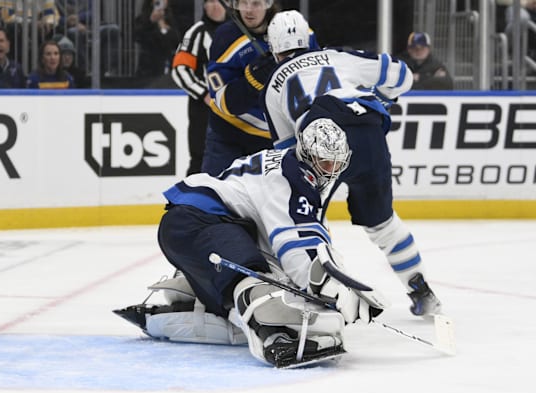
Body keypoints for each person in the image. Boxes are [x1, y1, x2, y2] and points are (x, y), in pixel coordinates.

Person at [115, 119, 386, 368]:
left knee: (270, 279)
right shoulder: (292, 177)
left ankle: (189, 299)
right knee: (256, 279)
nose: (331, 171)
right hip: (199, 221)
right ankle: (275, 339)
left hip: (196, 223)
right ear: (306, 153)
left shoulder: (287, 165)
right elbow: (295, 246)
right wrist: (332, 287)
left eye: (336, 164)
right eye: (324, 162)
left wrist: (335, 281)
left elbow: (301, 239)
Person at [261, 10, 442, 316]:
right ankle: (422, 291)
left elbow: (286, 150)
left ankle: (323, 295)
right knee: (382, 223)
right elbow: (402, 75)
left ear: (274, 48)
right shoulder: (338, 57)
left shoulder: (273, 86)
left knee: (306, 222)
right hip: (368, 131)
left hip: (321, 135)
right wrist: (382, 97)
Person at [202, 0, 318, 175]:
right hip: (230, 136)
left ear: (268, 4)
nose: (248, 10)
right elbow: (224, 102)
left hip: (278, 139)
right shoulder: (226, 37)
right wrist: (251, 83)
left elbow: (315, 80)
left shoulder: (299, 31)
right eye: (243, 3)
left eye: (255, 3)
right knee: (213, 197)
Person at [170, 0, 227, 175]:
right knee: (201, 160)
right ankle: (191, 202)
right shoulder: (197, 32)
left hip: (235, 108)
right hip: (204, 111)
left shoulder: (240, 33)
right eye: (210, 1)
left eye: (219, 1)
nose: (215, 6)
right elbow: (180, 70)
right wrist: (204, 94)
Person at [134, 0, 181, 83]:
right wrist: (150, 21)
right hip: (148, 69)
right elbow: (137, 37)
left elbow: (176, 42)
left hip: (168, 70)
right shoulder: (143, 19)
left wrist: (163, 26)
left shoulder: (173, 19)